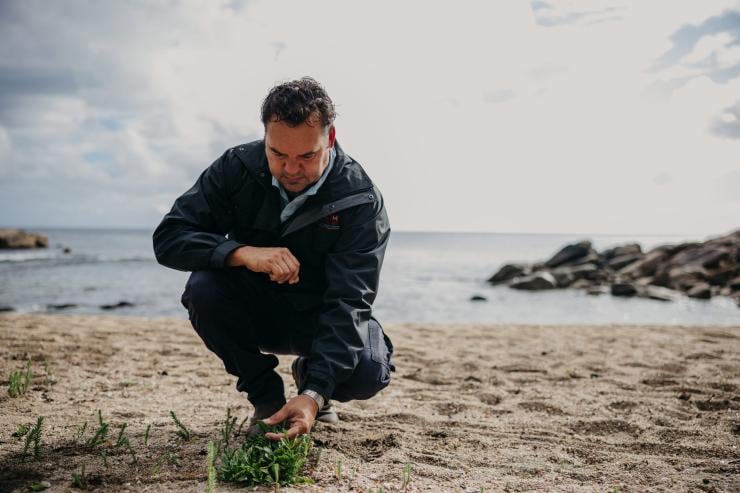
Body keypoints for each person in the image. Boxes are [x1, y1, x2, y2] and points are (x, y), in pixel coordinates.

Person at [152, 77, 394, 440]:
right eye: (278, 153)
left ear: (329, 139)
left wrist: (315, 394)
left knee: (369, 371)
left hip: (321, 317)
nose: (291, 169)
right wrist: (241, 253)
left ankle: (311, 384)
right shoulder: (236, 167)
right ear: (265, 136)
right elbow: (169, 237)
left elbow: (349, 301)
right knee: (203, 286)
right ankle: (267, 398)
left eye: (307, 156)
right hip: (257, 309)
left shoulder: (360, 200)